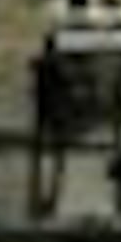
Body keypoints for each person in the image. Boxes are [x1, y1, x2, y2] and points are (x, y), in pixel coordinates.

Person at [29, 35, 79, 220]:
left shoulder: (42, 62)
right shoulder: (58, 63)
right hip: (54, 102)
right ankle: (57, 152)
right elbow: (65, 81)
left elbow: (33, 68)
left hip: (43, 102)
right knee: (56, 129)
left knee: (42, 128)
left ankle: (41, 150)